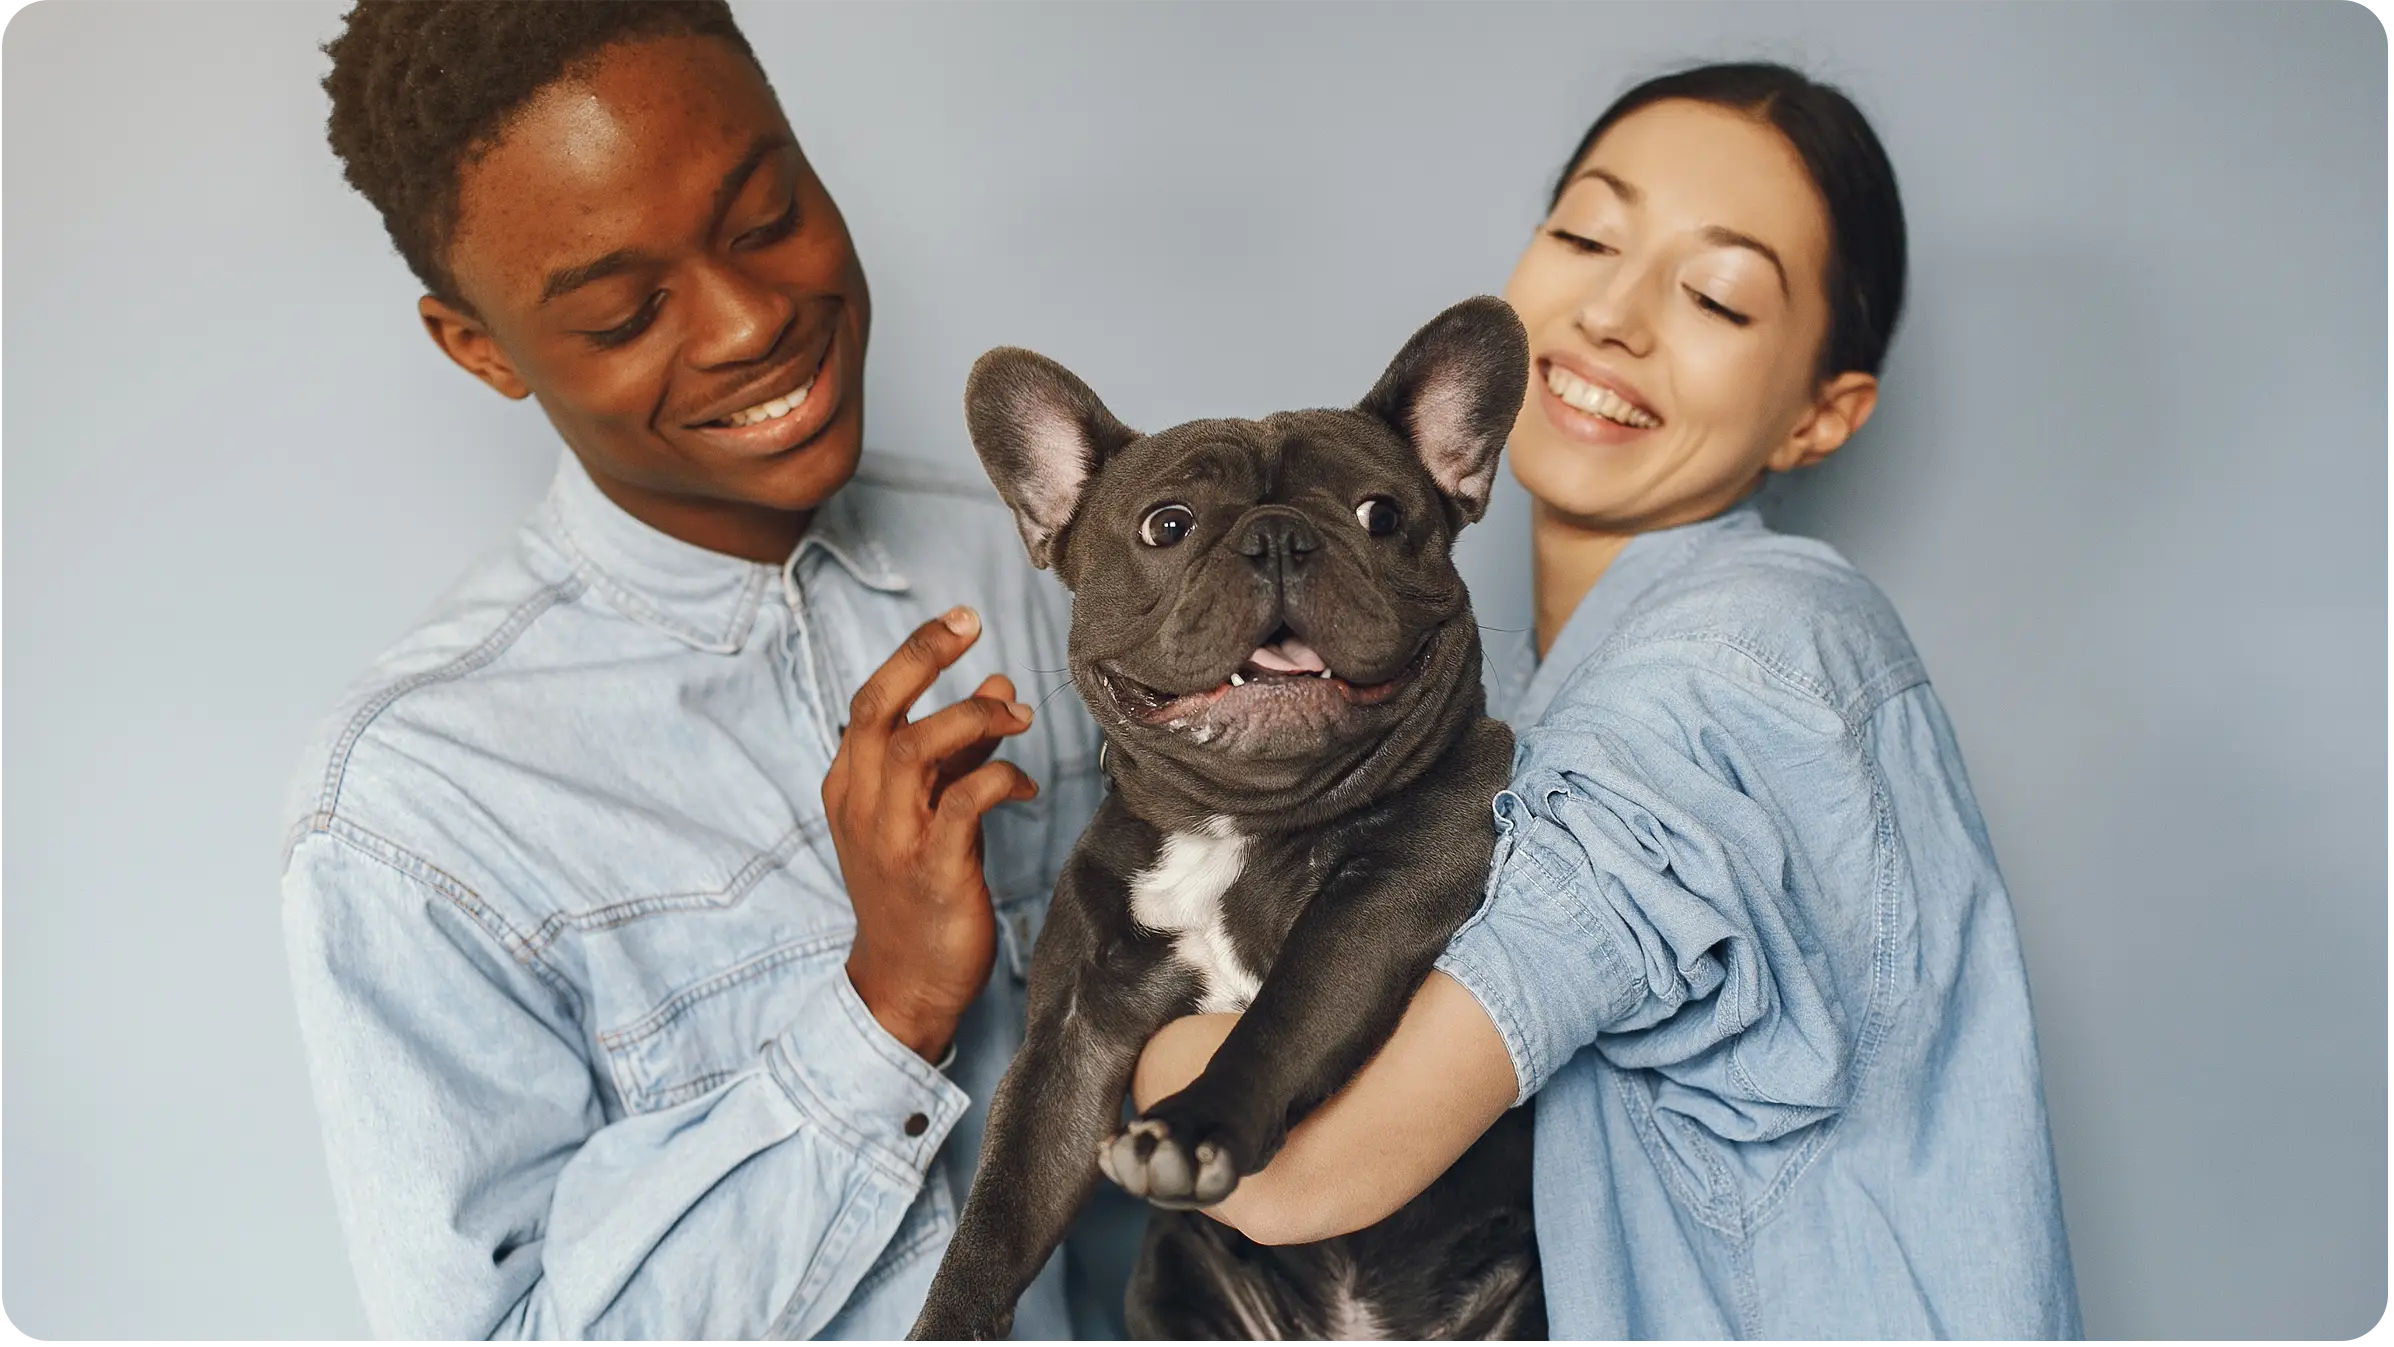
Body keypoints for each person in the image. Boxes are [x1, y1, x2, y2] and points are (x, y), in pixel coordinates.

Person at [1133, 62, 2083, 1341]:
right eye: (1585, 233)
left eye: (1718, 295)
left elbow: (1303, 1163)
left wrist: (1149, 1055)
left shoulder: (1742, 657)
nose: (1615, 314)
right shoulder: (1510, 694)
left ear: (1822, 415)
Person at [279, 1, 1136, 1338]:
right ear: (480, 345)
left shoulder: (1051, 563)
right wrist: (884, 1010)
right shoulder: (416, 807)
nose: (749, 321)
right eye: (626, 309)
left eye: (765, 215)